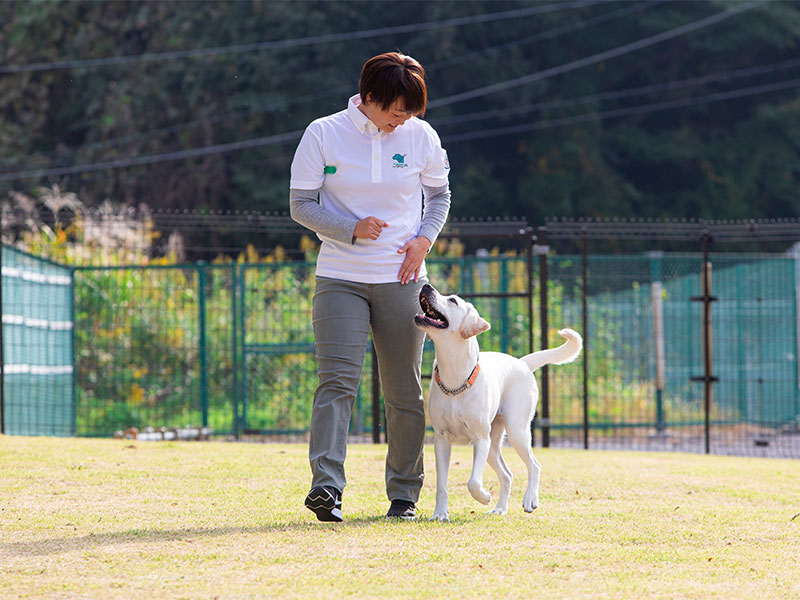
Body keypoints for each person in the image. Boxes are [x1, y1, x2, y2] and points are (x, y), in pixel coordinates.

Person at [289, 51, 451, 521]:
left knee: (404, 390)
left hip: (403, 279)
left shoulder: (421, 135)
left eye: (411, 112)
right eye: (397, 110)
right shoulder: (323, 132)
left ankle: (404, 494)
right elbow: (301, 204)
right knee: (336, 382)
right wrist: (351, 228)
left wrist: (424, 240)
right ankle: (327, 488)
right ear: (371, 98)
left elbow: (438, 195)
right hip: (340, 274)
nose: (403, 120)